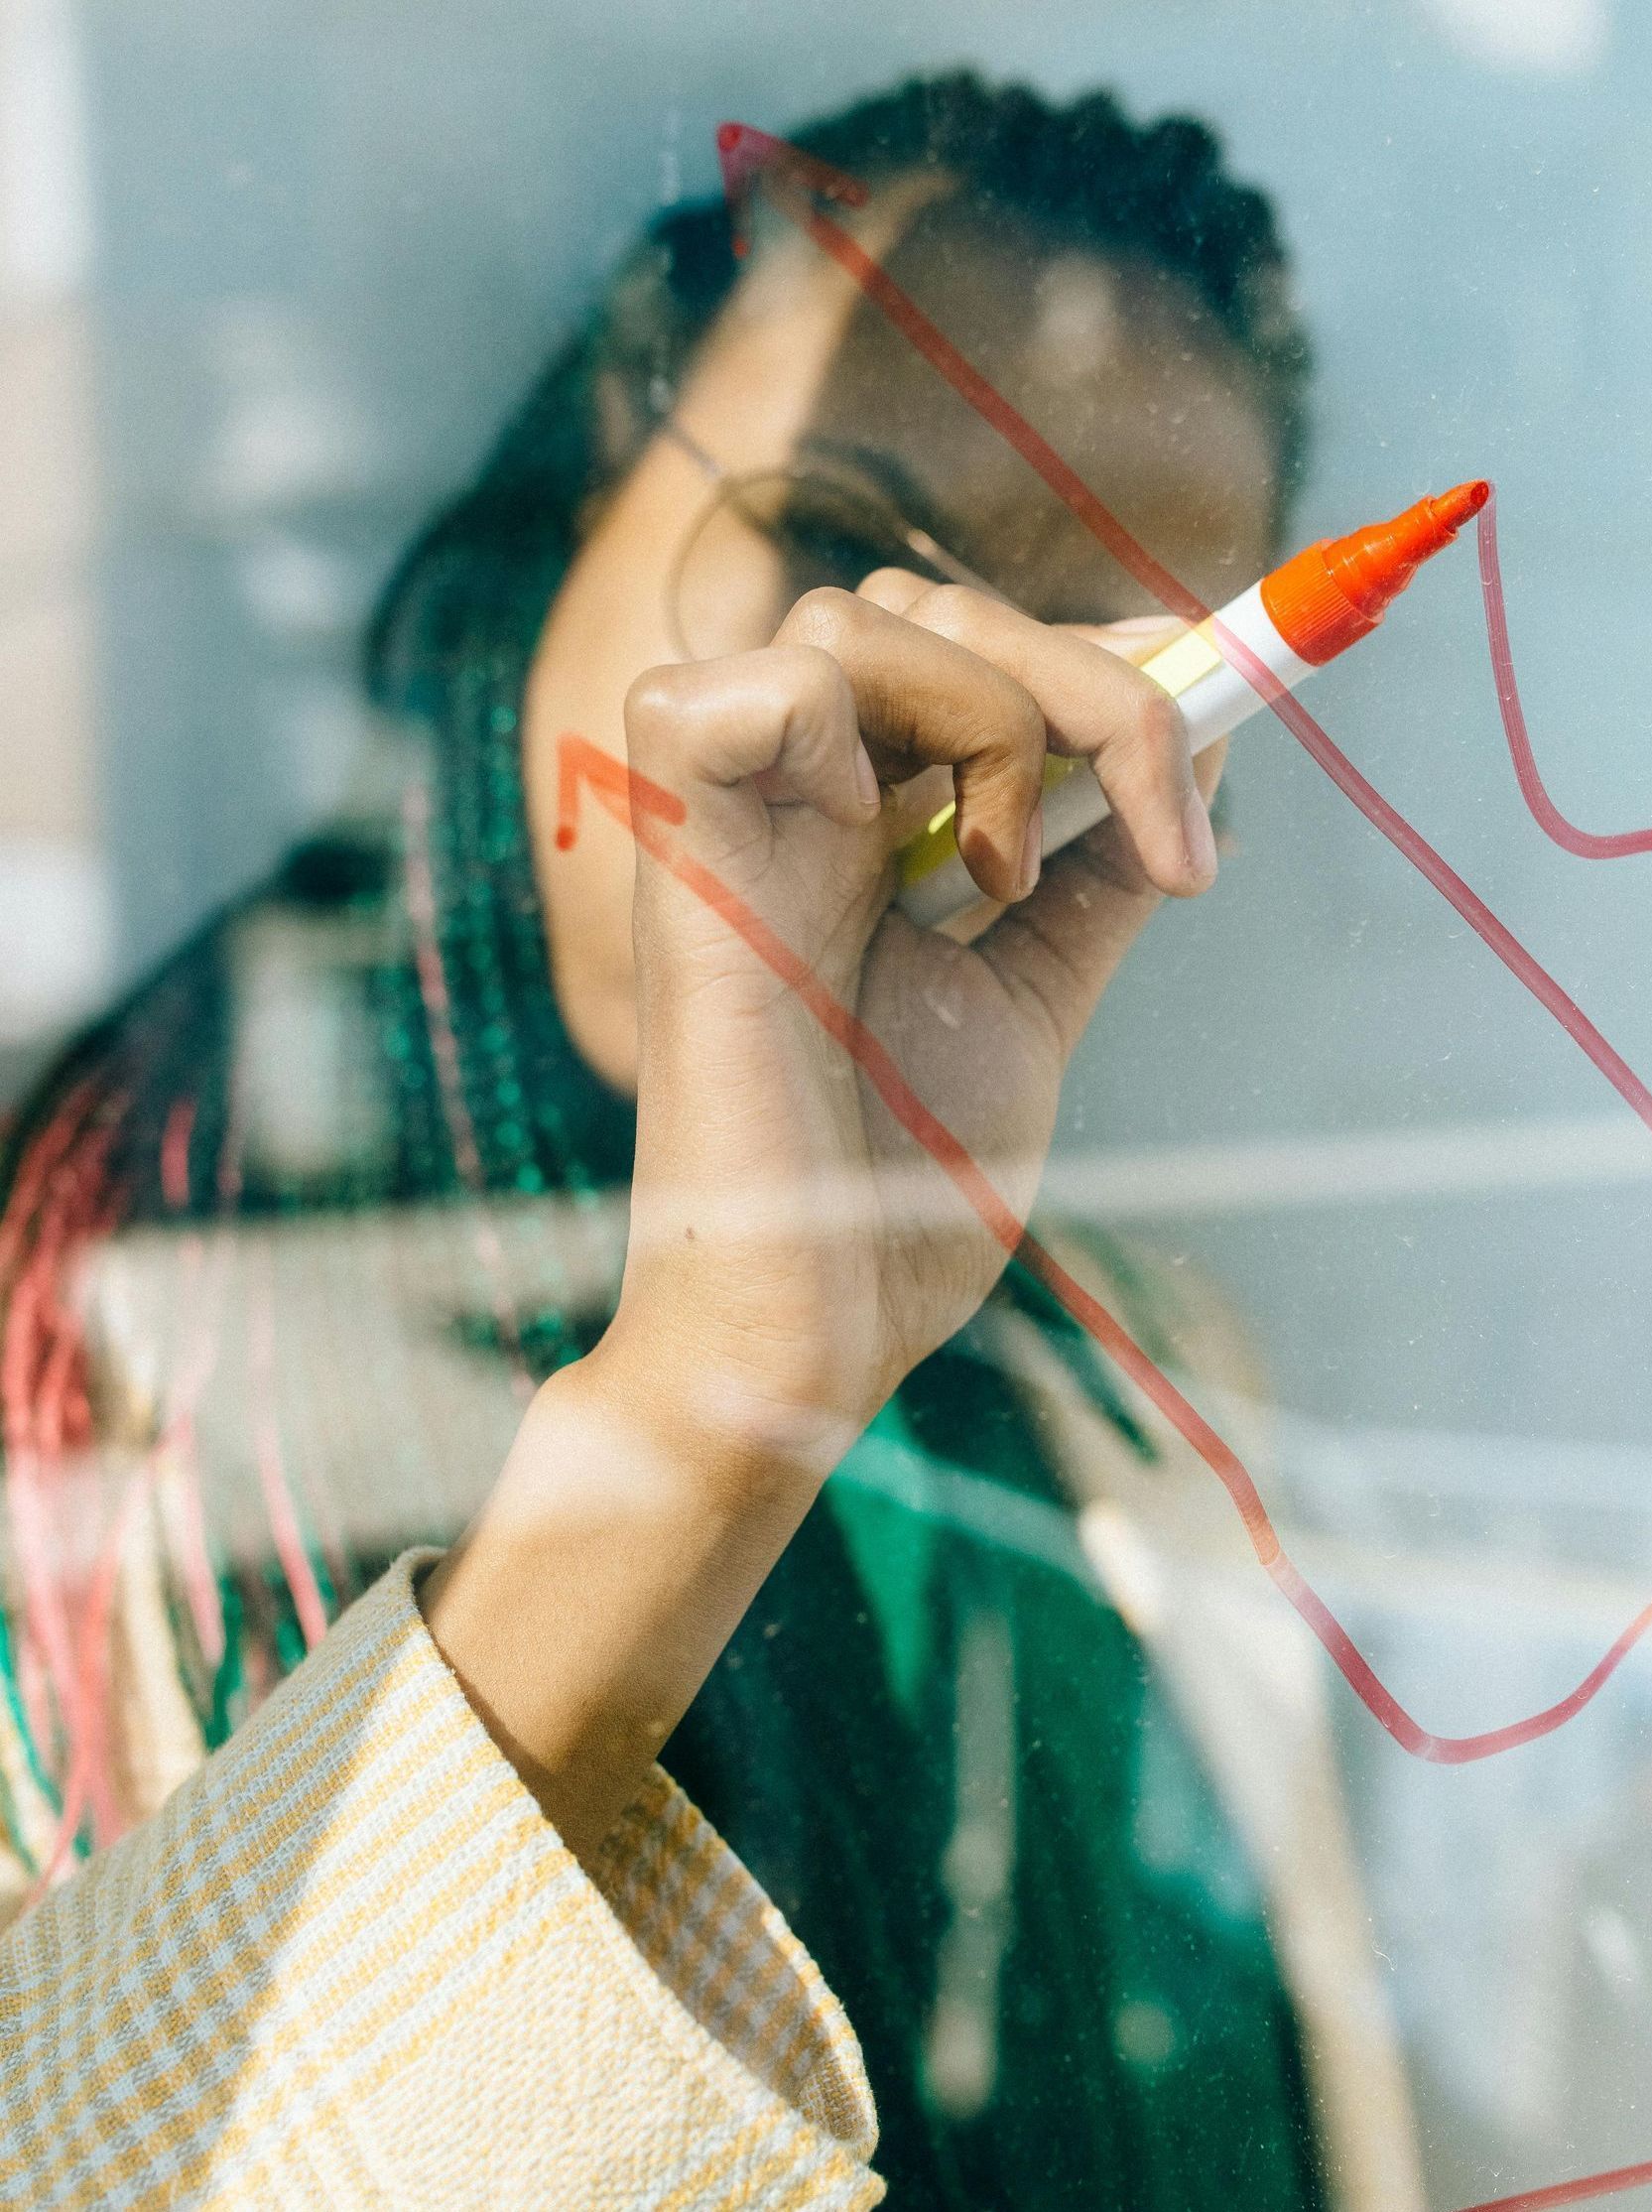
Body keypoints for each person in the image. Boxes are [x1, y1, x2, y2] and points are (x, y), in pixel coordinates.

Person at [0, 73, 1333, 2208]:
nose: (925, 730)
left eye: (1093, 709)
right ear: (593, 473)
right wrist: (710, 1403)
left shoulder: (1150, 1418)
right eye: (830, 539)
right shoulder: (64, 1302)